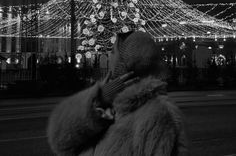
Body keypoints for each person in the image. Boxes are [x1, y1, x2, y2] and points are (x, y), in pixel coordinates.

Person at [47, 31, 188, 156]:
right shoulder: (106, 106)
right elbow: (59, 141)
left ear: (125, 62)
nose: (109, 56)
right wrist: (100, 98)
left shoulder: (158, 115)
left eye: (114, 52)